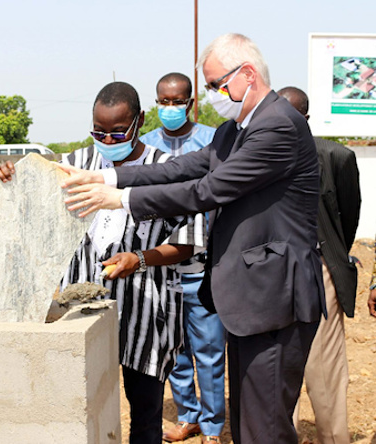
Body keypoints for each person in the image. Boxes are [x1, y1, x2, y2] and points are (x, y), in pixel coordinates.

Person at [60, 33, 324, 444]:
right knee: (250, 423)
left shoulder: (276, 127)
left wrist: (121, 199)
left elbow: (206, 190)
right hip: (249, 299)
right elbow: (181, 168)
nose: (211, 96)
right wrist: (106, 175)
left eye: (217, 85)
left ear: (248, 75)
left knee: (266, 428)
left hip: (274, 299)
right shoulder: (235, 130)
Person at [0, 81, 206, 444]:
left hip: (146, 315)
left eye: (117, 133)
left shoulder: (165, 169)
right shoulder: (74, 166)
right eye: (99, 132)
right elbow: (31, 210)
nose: (108, 142)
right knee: (81, 405)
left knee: (145, 414)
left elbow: (189, 240)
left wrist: (140, 258)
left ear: (140, 121)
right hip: (82, 312)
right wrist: (12, 179)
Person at [141, 73, 225, 443]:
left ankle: (212, 425)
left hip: (203, 264)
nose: (170, 109)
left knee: (208, 350)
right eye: (164, 102)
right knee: (172, 351)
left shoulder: (212, 140)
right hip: (159, 267)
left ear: (190, 103)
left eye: (177, 102)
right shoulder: (144, 145)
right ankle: (187, 415)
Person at [278, 86, 361, 444]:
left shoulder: (335, 156)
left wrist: (331, 255)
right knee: (277, 364)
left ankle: (333, 437)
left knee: (322, 366)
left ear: (305, 119)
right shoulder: (257, 154)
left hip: (319, 268)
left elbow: (347, 216)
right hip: (271, 272)